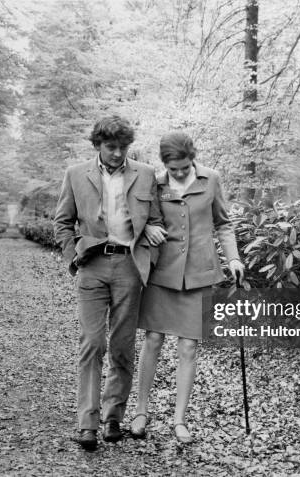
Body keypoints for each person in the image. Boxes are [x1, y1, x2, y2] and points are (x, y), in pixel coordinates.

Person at [54, 116, 167, 451]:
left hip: (131, 266)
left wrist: (149, 236)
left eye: (123, 147)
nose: (117, 153)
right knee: (92, 342)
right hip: (92, 264)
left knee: (121, 344)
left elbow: (156, 219)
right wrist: (73, 256)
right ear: (97, 146)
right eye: (110, 147)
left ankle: (113, 416)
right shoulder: (76, 174)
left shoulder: (145, 174)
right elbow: (62, 221)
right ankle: (86, 423)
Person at [130, 131, 244, 444]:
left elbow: (223, 223)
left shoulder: (211, 179)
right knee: (153, 339)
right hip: (162, 271)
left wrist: (233, 258)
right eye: (173, 168)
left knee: (188, 346)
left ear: (192, 158)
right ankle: (140, 411)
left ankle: (179, 420)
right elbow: (144, 219)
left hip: (199, 273)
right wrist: (150, 228)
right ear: (164, 164)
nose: (178, 173)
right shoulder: (155, 182)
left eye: (183, 167)